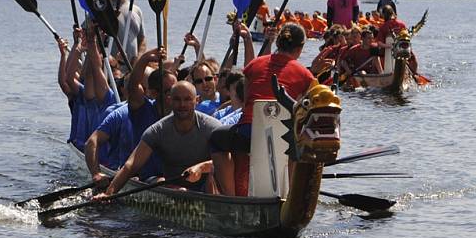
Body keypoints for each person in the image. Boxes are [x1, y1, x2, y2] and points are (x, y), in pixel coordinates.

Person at [210, 23, 314, 196]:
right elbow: (305, 112)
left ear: (278, 42)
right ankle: (290, 195)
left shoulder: (253, 66)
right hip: (284, 137)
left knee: (215, 139)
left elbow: (246, 103)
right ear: (300, 48)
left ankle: (230, 196)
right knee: (297, 141)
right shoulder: (305, 75)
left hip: (248, 134)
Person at [93, 81, 222, 199]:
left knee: (211, 178)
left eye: (187, 99)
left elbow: (231, 159)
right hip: (171, 188)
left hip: (206, 189)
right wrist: (108, 194)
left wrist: (202, 167)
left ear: (197, 101)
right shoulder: (158, 130)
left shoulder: (213, 127)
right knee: (166, 185)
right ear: (170, 100)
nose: (182, 105)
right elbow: (131, 165)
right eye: (177, 100)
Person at [83, 48, 174, 186]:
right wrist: (144, 59)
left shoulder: (182, 114)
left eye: (176, 88)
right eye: (169, 91)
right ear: (153, 93)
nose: (175, 95)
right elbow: (91, 142)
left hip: (168, 176)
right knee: (162, 181)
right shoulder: (138, 109)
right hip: (139, 177)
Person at [109, 0, 146, 66]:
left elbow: (142, 39)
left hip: (132, 70)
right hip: (111, 71)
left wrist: (139, 59)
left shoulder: (136, 10)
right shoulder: (102, 8)